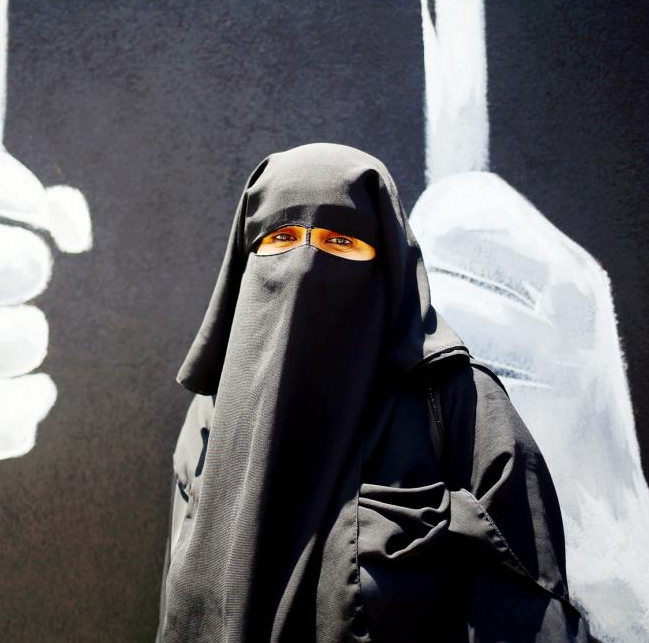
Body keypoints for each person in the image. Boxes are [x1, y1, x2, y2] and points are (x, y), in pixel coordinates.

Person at [156, 143, 589, 642]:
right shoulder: (210, 419)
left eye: (340, 241)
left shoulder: (457, 401)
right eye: (281, 237)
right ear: (246, 257)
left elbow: (533, 608)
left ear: (385, 262)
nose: (303, 263)